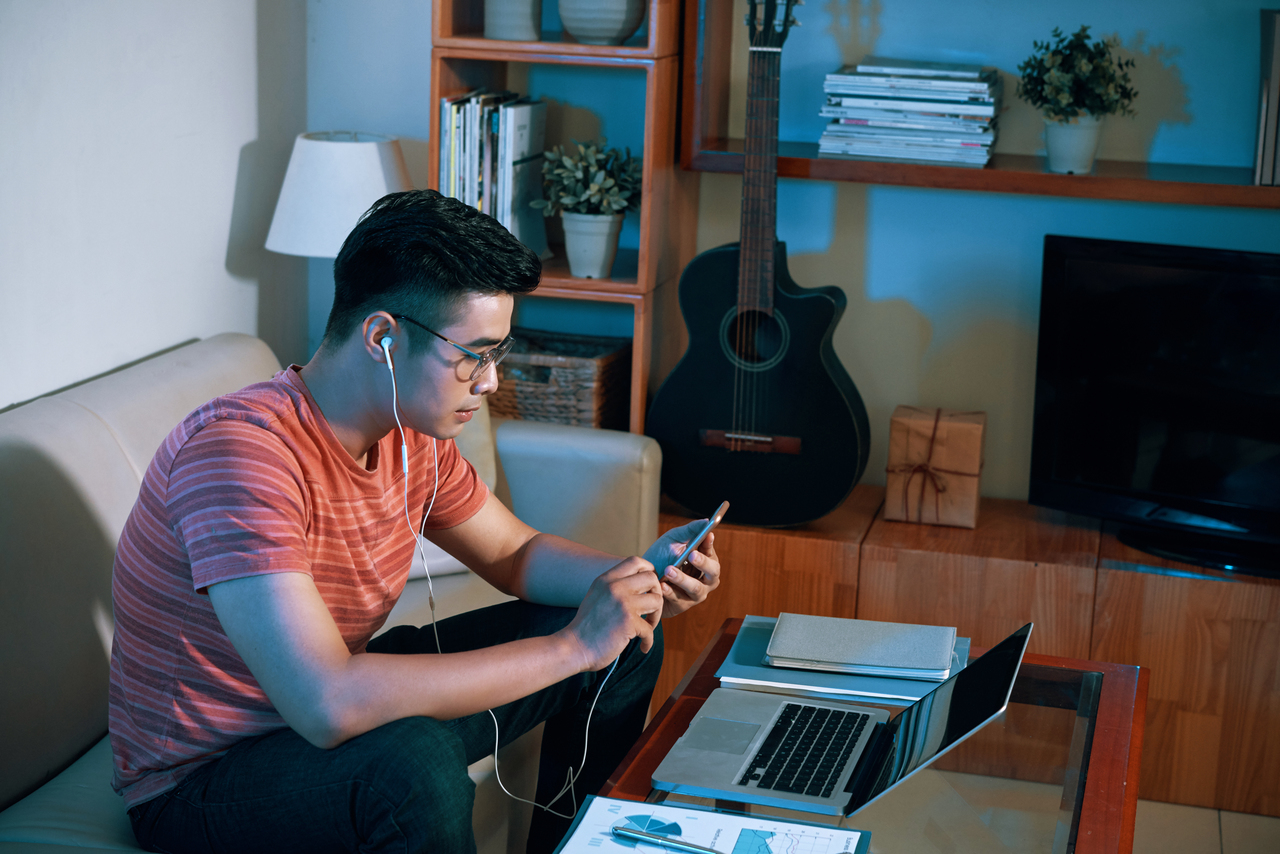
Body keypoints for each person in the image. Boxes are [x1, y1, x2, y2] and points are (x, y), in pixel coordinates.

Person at [108, 190, 721, 854]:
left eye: (498, 354)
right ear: (382, 337)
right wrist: (574, 645)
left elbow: (514, 554)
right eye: (474, 354)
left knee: (626, 638)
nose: (488, 382)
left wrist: (635, 578)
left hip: (330, 703)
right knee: (415, 760)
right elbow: (328, 704)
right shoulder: (242, 454)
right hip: (205, 783)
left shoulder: (411, 432)